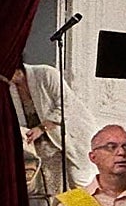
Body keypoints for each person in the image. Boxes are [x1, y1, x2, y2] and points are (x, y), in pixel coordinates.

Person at [6, 61, 97, 191]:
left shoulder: (46, 74)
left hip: (71, 137)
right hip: (45, 146)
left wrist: (42, 128)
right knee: (51, 188)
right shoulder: (10, 89)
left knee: (79, 183)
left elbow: (67, 103)